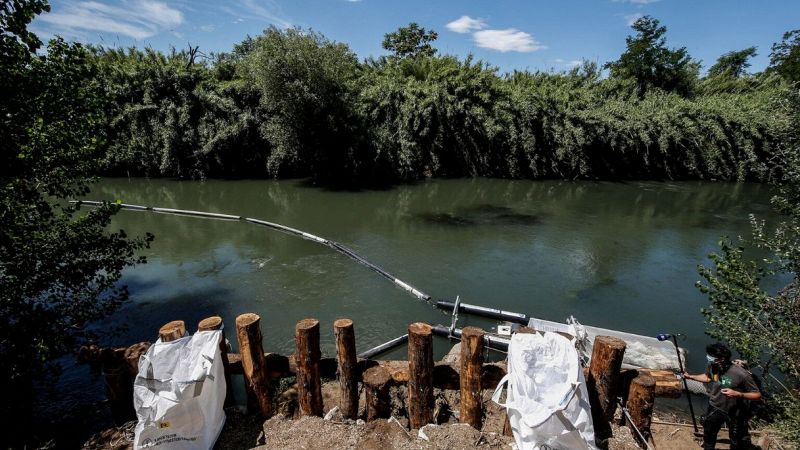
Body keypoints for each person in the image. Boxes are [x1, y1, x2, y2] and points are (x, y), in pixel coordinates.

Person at [683, 343, 761, 450]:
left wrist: (738, 394)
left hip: (736, 411)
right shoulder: (713, 365)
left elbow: (757, 395)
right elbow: (708, 377)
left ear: (721, 358)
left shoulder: (741, 374)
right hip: (715, 406)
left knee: (736, 440)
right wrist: (690, 377)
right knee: (709, 434)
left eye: (711, 356)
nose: (708, 358)